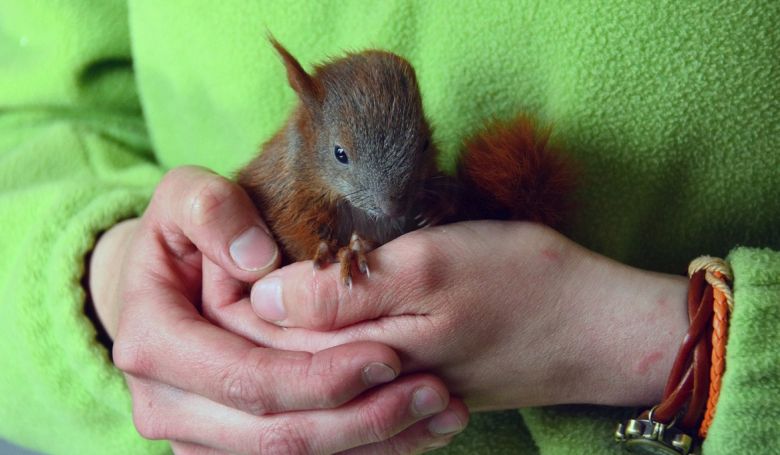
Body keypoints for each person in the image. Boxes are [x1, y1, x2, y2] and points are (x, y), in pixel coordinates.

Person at [1, 1, 777, 454]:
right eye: (344, 160)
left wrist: (662, 343)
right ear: (307, 116)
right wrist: (108, 272)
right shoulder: (292, 171)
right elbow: (32, 115)